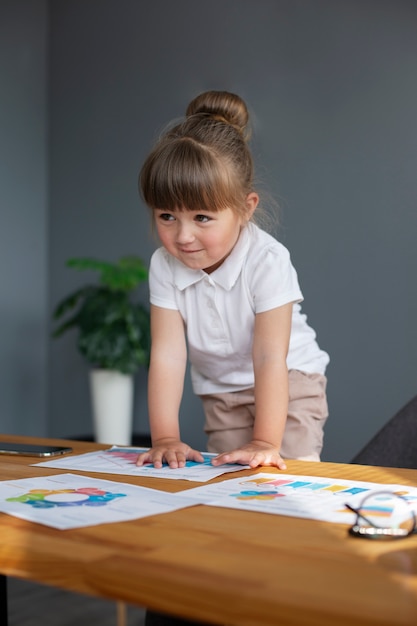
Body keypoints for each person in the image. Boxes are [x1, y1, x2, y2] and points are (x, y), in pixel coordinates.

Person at [136, 90, 329, 475]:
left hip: (289, 381)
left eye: (202, 218)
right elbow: (168, 356)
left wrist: (265, 441)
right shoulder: (164, 265)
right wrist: (165, 438)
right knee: (230, 481)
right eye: (167, 216)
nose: (183, 236)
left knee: (282, 472)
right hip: (221, 390)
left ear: (245, 208)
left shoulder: (266, 261)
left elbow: (270, 357)